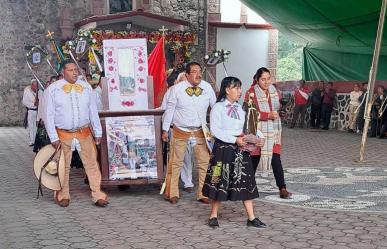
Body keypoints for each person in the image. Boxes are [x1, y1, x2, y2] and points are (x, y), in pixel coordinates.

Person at [202, 76, 266, 228]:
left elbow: (250, 126)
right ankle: (213, 215)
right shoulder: (218, 108)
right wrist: (233, 139)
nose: (239, 91)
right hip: (223, 150)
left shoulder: (240, 108)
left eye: (239, 88)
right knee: (219, 180)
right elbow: (215, 130)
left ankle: (251, 218)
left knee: (246, 181)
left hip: (241, 149)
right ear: (227, 90)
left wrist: (260, 137)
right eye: (236, 88)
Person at [44, 60, 108, 208]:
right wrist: (53, 136)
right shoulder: (53, 90)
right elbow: (49, 115)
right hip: (63, 134)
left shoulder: (86, 87)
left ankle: (98, 194)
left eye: (76, 70)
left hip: (84, 132)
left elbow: (93, 111)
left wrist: (98, 131)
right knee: (63, 166)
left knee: (92, 164)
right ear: (62, 73)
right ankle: (63, 194)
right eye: (70, 70)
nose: (74, 72)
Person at [162, 62, 216, 204]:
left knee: (205, 162)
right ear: (186, 75)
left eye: (199, 71)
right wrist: (165, 129)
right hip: (181, 130)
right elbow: (170, 110)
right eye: (194, 72)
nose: (198, 74)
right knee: (176, 162)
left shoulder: (207, 87)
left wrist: (218, 129)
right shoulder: (176, 89)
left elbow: (215, 108)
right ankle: (172, 192)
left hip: (200, 130)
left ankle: (203, 193)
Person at [244, 67, 292, 199]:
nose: (266, 82)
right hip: (258, 132)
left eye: (268, 79)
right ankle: (246, 188)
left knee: (276, 159)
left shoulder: (274, 91)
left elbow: (277, 110)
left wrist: (281, 113)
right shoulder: (251, 92)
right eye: (263, 79)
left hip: (274, 132)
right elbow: (249, 113)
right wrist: (267, 115)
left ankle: (282, 188)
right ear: (257, 79)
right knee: (253, 159)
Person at [22, 79, 39, 146]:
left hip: (38, 111)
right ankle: (32, 141)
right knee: (31, 126)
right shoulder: (27, 92)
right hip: (31, 110)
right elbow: (24, 102)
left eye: (37, 86)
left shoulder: (39, 92)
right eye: (35, 86)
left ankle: (35, 140)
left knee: (36, 126)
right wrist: (32, 105)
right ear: (32, 85)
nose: (36, 87)